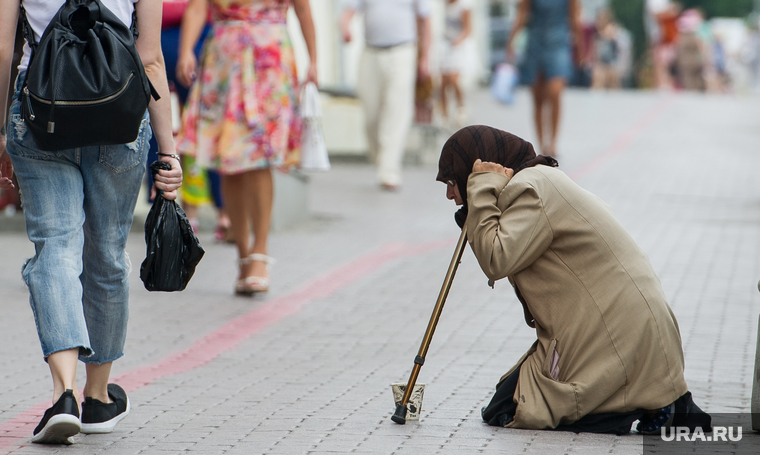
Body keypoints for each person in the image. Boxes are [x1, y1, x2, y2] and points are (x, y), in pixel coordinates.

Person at [436, 125, 712, 434]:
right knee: (507, 398)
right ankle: (654, 401)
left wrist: (482, 188)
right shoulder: (540, 180)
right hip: (626, 332)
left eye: (451, 180)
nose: (449, 193)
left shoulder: (529, 189)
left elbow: (496, 259)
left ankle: (635, 404)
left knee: (509, 409)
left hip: (616, 336)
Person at [0, 0, 182, 445]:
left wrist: (1, 131)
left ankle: (63, 393)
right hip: (118, 109)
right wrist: (169, 151)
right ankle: (98, 397)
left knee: (56, 246)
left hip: (41, 107)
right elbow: (151, 58)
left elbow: (4, 51)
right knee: (107, 252)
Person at [175, 0, 317, 296]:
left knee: (260, 157)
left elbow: (303, 8)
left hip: (269, 61)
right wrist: (186, 48)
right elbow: (198, 7)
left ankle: (260, 254)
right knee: (228, 160)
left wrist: (314, 61)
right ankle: (242, 253)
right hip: (224, 60)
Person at [339, 0, 432, 191]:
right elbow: (348, 10)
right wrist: (345, 27)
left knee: (396, 111)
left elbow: (426, 20)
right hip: (371, 51)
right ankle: (380, 159)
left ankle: (389, 170)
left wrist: (425, 59)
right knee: (371, 115)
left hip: (403, 51)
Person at [506, 0, 583, 158]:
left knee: (555, 92)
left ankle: (553, 143)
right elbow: (522, 13)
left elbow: (575, 17)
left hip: (559, 42)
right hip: (536, 41)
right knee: (538, 98)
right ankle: (542, 145)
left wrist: (580, 47)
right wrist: (511, 41)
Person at [439, 0, 476, 130]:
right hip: (446, 45)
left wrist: (457, 41)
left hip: (459, 47)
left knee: (454, 80)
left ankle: (461, 109)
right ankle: (444, 115)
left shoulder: (464, 6)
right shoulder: (444, 4)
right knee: (443, 82)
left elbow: (468, 29)